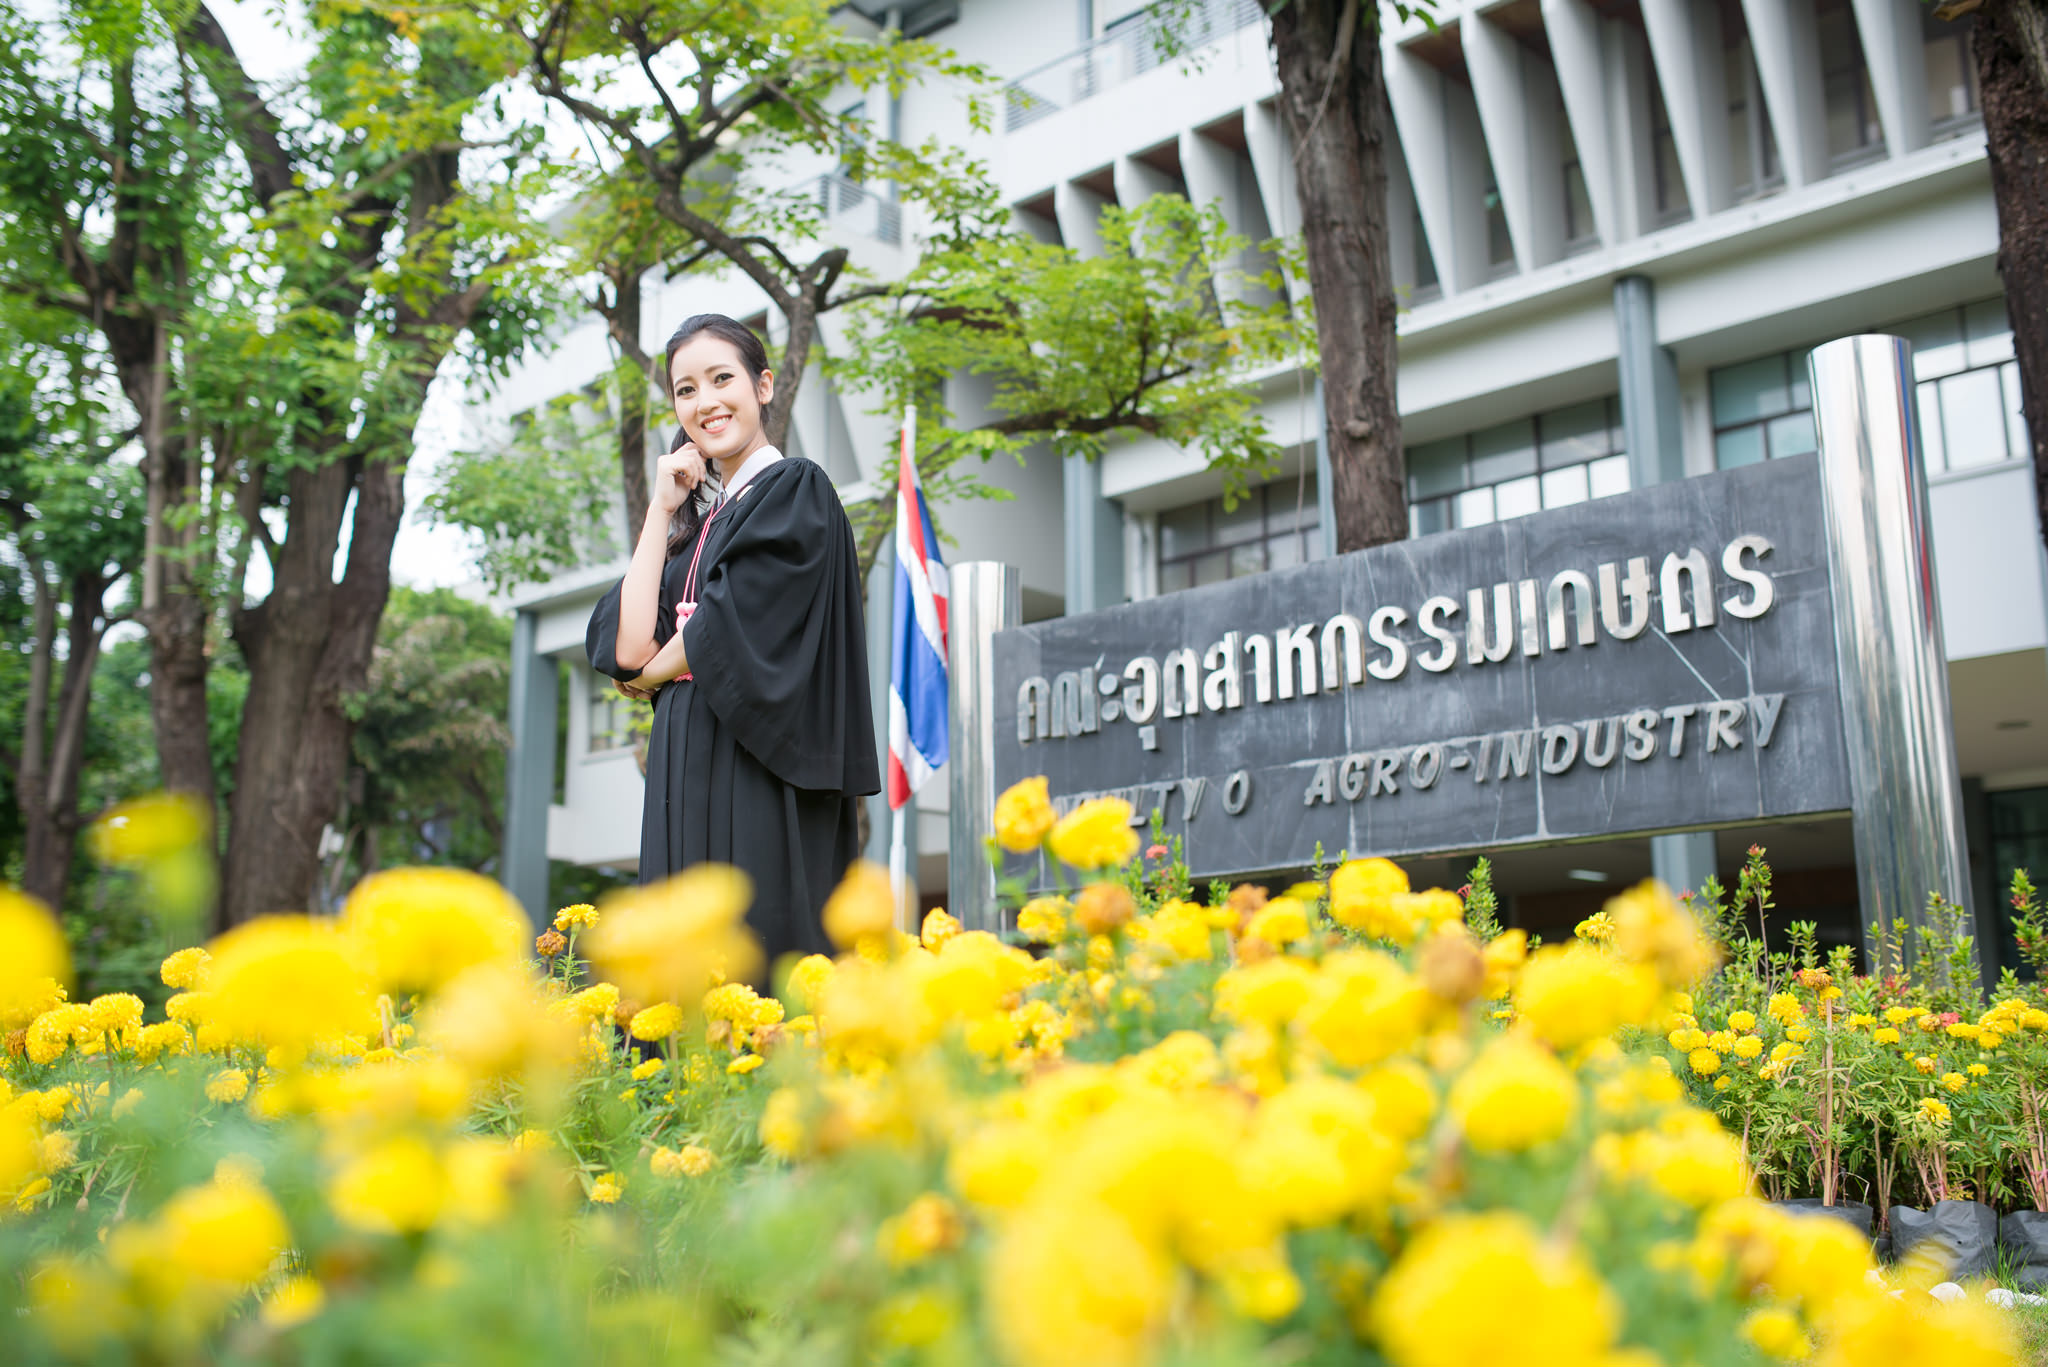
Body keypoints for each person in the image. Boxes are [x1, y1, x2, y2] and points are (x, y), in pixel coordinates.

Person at [586, 314, 878, 965]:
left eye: (722, 378)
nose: (706, 401)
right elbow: (629, 646)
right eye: (686, 389)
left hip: (757, 755)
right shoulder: (696, 523)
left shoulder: (795, 490)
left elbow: (719, 627)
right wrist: (662, 510)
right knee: (682, 956)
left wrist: (656, 675)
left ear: (764, 385)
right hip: (683, 753)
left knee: (755, 944)